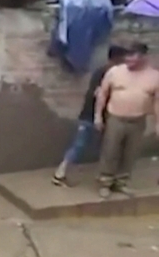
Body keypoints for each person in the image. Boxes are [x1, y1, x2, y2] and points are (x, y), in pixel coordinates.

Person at [52, 45, 128, 187]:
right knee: (80, 145)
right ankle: (60, 174)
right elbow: (98, 94)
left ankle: (107, 175)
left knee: (105, 146)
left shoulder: (107, 72)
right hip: (90, 115)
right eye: (123, 60)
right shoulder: (105, 73)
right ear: (116, 59)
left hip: (101, 116)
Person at [95, 42, 159, 198]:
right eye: (127, 55)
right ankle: (105, 182)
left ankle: (121, 182)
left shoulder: (154, 76)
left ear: (143, 57)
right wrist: (98, 115)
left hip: (138, 120)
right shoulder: (115, 72)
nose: (128, 59)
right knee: (110, 150)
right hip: (115, 118)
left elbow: (157, 101)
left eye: (132, 55)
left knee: (131, 153)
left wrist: (158, 123)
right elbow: (102, 94)